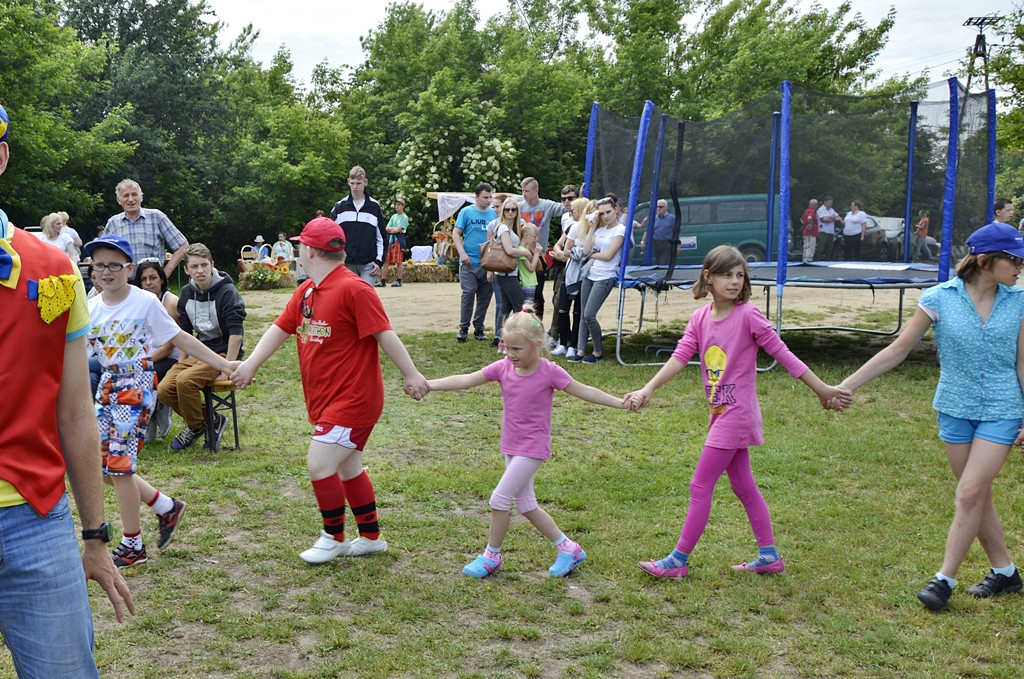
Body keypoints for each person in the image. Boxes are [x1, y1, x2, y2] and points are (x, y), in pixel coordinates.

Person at [0, 102, 135, 676]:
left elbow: (77, 412)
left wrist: (96, 535)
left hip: (36, 521)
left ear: (1, 157)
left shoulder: (52, 271)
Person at [625, 245, 850, 579]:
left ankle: (677, 561)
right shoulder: (700, 319)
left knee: (700, 485)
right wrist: (648, 388)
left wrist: (822, 389)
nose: (734, 281)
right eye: (726, 274)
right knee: (744, 486)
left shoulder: (749, 316)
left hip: (737, 415)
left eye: (740, 275)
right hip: (719, 412)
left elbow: (783, 354)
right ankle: (769, 556)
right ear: (708, 277)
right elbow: (680, 356)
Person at [832, 222, 1024, 611]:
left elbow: (1023, 363)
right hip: (954, 409)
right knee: (977, 494)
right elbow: (897, 350)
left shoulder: (1019, 301)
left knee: (968, 493)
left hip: (1003, 409)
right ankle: (1005, 573)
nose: (1021, 267)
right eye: (1015, 259)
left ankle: (943, 580)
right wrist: (846, 386)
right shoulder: (939, 298)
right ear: (985, 261)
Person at [229, 217, 429, 563]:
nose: (298, 251)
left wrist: (411, 374)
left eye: (300, 246)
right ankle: (371, 538)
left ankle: (333, 537)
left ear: (309, 250)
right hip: (327, 398)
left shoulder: (354, 289)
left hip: (354, 399)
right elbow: (280, 328)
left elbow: (385, 334)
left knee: (320, 464)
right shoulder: (307, 290)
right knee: (349, 468)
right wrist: (251, 364)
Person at [425, 305, 630, 578]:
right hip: (511, 445)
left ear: (537, 345)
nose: (510, 354)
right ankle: (569, 549)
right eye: (506, 348)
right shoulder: (503, 368)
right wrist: (429, 384)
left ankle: (491, 556)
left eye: (517, 349)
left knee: (499, 499)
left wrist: (620, 403)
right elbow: (466, 379)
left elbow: (585, 391)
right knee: (526, 505)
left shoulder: (550, 372)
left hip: (533, 448)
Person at [86, 235, 235, 568]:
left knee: (120, 466)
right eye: (100, 265)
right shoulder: (90, 307)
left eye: (114, 265)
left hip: (136, 382)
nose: (106, 272)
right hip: (108, 384)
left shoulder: (144, 302)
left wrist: (224, 364)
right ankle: (167, 507)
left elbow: (180, 338)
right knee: (103, 467)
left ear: (129, 269)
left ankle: (133, 545)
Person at [158, 243, 246, 450]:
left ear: (212, 265)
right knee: (164, 389)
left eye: (204, 265)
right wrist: (180, 363)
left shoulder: (227, 292)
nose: (200, 270)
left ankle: (195, 427)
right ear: (186, 270)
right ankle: (212, 420)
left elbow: (236, 335)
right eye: (194, 266)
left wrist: (226, 369)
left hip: (222, 354)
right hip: (198, 353)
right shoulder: (187, 293)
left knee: (185, 382)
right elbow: (184, 334)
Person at [570, 196, 626, 364]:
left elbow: (608, 256)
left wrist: (591, 255)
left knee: (589, 315)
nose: (606, 216)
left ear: (616, 210)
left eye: (608, 212)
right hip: (590, 274)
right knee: (583, 314)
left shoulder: (620, 229)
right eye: (602, 213)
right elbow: (586, 249)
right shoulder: (600, 230)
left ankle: (597, 351)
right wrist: (593, 227)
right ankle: (580, 350)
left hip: (605, 276)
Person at [133, 258, 180, 440]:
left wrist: (141, 362)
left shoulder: (170, 302)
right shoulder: (139, 302)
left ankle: (156, 408)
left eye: (152, 278)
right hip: (148, 355)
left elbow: (168, 347)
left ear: (161, 279)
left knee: (142, 373)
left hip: (170, 358)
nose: (148, 283)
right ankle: (152, 414)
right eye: (143, 279)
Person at [105, 179, 189, 277]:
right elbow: (103, 254)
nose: (131, 199)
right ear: (119, 200)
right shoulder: (113, 223)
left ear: (141, 197)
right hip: (124, 282)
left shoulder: (156, 217)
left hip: (153, 282)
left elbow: (183, 246)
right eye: (126, 195)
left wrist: (165, 273)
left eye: (134, 194)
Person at [452, 182, 497, 343]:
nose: (488, 200)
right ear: (476, 197)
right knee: (468, 293)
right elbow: (456, 233)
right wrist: (462, 253)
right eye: (485, 197)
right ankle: (463, 328)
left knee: (485, 297)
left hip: (488, 262)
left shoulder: (494, 214)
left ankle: (479, 327)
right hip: (469, 262)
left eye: (490, 197)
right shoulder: (466, 212)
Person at [518, 177, 568, 320]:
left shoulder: (547, 205)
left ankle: (537, 323)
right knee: (522, 293)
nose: (524, 194)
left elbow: (566, 208)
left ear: (536, 191)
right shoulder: (519, 207)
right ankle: (522, 322)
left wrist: (581, 197)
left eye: (527, 191)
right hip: (521, 253)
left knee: (537, 293)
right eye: (522, 191)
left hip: (539, 255)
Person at [329, 165, 386, 285]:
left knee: (366, 295)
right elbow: (330, 236)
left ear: (365, 182)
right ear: (348, 182)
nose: (355, 187)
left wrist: (379, 261)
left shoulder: (374, 207)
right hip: (346, 263)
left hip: (368, 264)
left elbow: (381, 238)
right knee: (347, 295)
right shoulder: (340, 207)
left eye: (359, 183)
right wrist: (333, 260)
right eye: (353, 183)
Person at [489, 198, 536, 343]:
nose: (510, 212)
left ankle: (500, 338)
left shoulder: (510, 227)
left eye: (513, 209)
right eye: (507, 209)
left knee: (505, 307)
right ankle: (515, 338)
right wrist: (525, 253)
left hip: (505, 273)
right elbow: (509, 250)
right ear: (503, 211)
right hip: (507, 273)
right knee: (519, 306)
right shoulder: (503, 228)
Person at [552, 197, 590, 358]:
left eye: (573, 210)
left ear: (581, 211)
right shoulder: (573, 227)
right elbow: (566, 249)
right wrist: (570, 252)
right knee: (562, 308)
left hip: (583, 273)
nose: (570, 213)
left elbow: (579, 252)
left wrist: (571, 252)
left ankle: (573, 345)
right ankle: (563, 343)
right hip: (570, 272)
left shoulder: (589, 228)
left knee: (578, 312)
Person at [547, 185, 580, 343]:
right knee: (558, 300)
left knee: (571, 304)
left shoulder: (583, 219)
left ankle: (564, 337)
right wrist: (559, 253)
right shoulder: (565, 217)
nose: (567, 202)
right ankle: (559, 334)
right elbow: (562, 239)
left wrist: (565, 254)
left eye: (570, 198)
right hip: (563, 262)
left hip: (576, 262)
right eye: (563, 199)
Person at [379, 197, 408, 287]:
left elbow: (397, 230)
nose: (396, 206)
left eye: (399, 205)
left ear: (403, 206)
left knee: (399, 261)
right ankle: (383, 280)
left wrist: (393, 230)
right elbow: (387, 228)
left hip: (398, 241)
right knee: (386, 261)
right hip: (391, 241)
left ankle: (399, 280)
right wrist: (394, 230)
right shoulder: (393, 216)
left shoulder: (404, 217)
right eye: (396, 204)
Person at [640, 199, 678, 265]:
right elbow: (647, 231)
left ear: (666, 208)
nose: (658, 209)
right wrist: (643, 242)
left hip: (667, 243)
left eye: (660, 207)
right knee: (658, 261)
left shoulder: (672, 218)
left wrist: (678, 245)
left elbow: (677, 232)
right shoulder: (653, 218)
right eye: (657, 207)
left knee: (663, 262)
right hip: (656, 243)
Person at [518, 223, 544, 305]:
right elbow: (531, 268)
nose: (535, 240)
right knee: (527, 308)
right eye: (534, 236)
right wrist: (537, 253)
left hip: (529, 283)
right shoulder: (521, 250)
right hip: (527, 283)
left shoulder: (523, 249)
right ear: (526, 235)